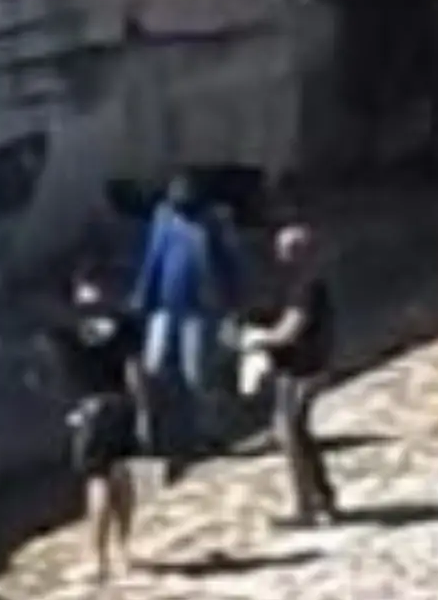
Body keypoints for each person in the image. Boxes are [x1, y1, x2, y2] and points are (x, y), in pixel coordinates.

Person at [44, 268, 147, 583]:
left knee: (97, 480)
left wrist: (68, 408)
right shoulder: (125, 323)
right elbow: (135, 370)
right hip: (120, 401)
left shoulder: (64, 328)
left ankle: (97, 559)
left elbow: (60, 374)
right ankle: (124, 549)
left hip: (90, 406)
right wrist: (142, 408)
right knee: (121, 473)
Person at [242, 224, 340, 528]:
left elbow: (290, 330)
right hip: (297, 369)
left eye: (289, 249)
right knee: (296, 434)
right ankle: (321, 497)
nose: (282, 255)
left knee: (292, 435)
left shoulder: (307, 288)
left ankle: (308, 506)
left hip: (304, 370)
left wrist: (258, 341)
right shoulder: (298, 284)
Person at [127, 172, 223, 482]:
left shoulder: (211, 223)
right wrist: (143, 294)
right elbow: (153, 258)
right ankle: (153, 433)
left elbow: (226, 262)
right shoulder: (163, 218)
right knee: (153, 369)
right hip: (164, 306)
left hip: (199, 308)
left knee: (197, 374)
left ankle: (206, 432)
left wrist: (232, 299)